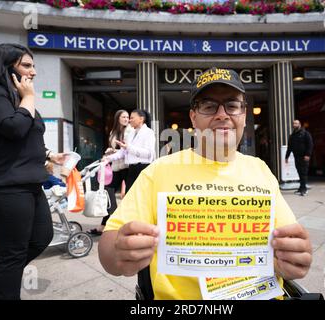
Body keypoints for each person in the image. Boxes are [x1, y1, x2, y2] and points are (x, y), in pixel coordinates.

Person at [98, 67, 312, 300]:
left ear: (243, 114)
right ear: (193, 117)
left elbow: (287, 244)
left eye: (232, 105)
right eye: (209, 106)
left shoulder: (260, 170)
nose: (222, 114)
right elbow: (109, 248)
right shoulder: (159, 171)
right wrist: (119, 252)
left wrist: (291, 259)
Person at [0, 43, 66, 300]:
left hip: (29, 181)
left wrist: (50, 155)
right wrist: (29, 99)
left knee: (42, 237)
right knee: (13, 253)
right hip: (2, 183)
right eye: (27, 65)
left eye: (34, 66)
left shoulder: (18, 97)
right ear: (7, 66)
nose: (33, 72)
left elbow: (29, 136)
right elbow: (14, 128)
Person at [88, 110, 132, 236]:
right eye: (123, 117)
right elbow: (115, 149)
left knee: (129, 196)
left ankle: (115, 224)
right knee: (108, 193)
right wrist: (109, 152)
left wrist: (114, 151)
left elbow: (127, 149)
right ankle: (106, 223)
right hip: (116, 167)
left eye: (128, 117)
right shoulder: (113, 132)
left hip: (128, 166)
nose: (126, 119)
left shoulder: (130, 130)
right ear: (117, 118)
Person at [104, 109, 156, 193]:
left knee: (141, 196)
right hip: (132, 168)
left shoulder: (149, 133)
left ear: (141, 119)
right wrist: (108, 158)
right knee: (130, 196)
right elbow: (123, 151)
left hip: (143, 168)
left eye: (132, 118)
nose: (129, 120)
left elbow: (149, 154)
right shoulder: (131, 133)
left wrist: (128, 148)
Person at [285, 119, 313, 196]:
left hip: (304, 157)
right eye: (294, 123)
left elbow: (310, 144)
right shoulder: (292, 136)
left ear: (299, 124)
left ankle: (304, 189)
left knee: (303, 173)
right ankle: (301, 187)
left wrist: (308, 155)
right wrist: (286, 157)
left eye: (296, 123)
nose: (295, 125)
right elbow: (289, 147)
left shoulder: (305, 133)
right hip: (296, 157)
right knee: (299, 172)